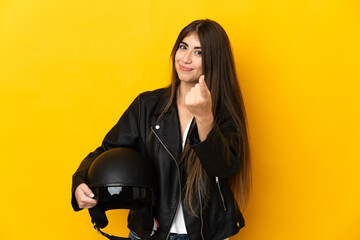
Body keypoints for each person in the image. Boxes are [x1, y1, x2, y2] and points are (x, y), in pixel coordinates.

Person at [71, 19, 251, 240]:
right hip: (150, 232)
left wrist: (205, 117)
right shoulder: (147, 106)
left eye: (198, 52)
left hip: (207, 235)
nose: (185, 58)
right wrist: (80, 182)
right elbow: (107, 150)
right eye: (183, 47)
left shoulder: (222, 112)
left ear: (214, 60)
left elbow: (224, 168)